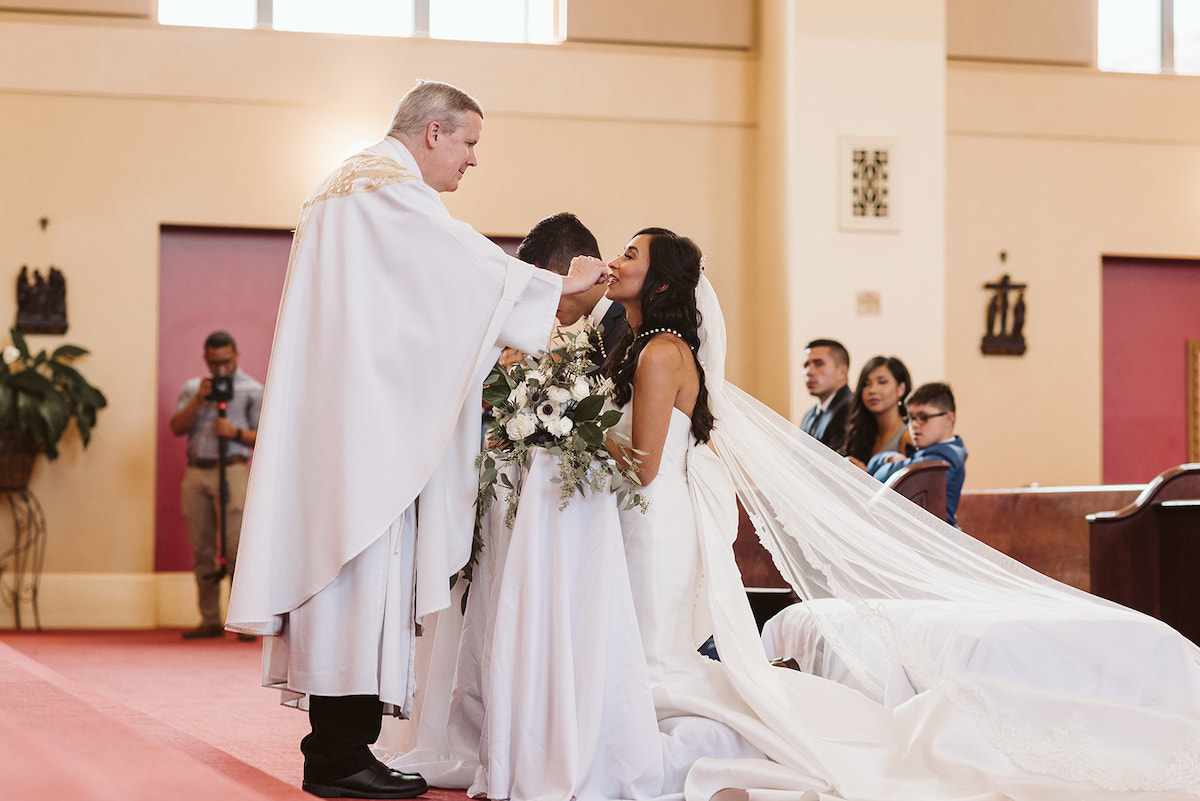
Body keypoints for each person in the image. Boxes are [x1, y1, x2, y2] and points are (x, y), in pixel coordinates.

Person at [503, 227, 1200, 801]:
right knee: (646, 646)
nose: (616, 261)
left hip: (652, 523)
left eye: (632, 254)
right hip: (647, 519)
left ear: (658, 282)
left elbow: (645, 463)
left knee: (655, 653)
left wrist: (563, 429)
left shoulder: (659, 352)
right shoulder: (636, 347)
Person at [224, 80, 609, 800]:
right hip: (365, 429)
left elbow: (421, 296)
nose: (471, 162)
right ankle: (340, 757)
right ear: (433, 132)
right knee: (357, 578)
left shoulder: (342, 185)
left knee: (347, 581)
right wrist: (562, 285)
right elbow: (464, 269)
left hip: (345, 415)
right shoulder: (390, 192)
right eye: (468, 143)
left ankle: (338, 748)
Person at [169, 330, 261, 641]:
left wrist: (236, 433)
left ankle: (242, 621)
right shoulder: (194, 388)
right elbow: (177, 427)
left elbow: (265, 436)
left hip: (233, 471)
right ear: (205, 359)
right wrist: (199, 400)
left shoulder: (252, 390)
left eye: (226, 362)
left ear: (236, 355)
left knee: (237, 547)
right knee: (202, 548)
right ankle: (209, 618)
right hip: (197, 472)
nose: (220, 369)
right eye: (214, 363)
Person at [867, 382, 968, 526]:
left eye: (923, 417)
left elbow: (881, 479)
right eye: (911, 418)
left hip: (934, 541)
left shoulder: (943, 458)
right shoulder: (929, 452)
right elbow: (873, 465)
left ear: (948, 419)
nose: (914, 424)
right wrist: (888, 458)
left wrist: (883, 463)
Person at [840, 354, 913, 469]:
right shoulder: (862, 434)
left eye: (882, 382)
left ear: (901, 389)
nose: (872, 390)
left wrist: (865, 477)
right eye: (866, 384)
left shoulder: (908, 436)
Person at [798, 339, 851, 451]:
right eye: (806, 365)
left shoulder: (850, 409)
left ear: (843, 371)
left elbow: (837, 462)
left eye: (819, 364)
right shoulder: (810, 413)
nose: (809, 372)